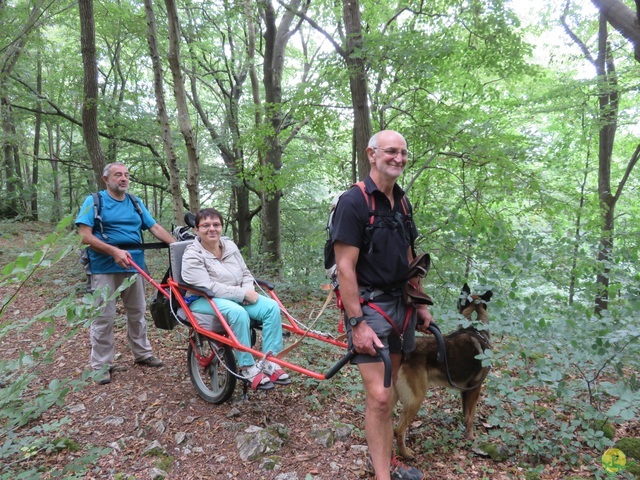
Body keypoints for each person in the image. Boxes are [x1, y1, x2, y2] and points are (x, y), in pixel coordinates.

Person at [331, 130, 434, 480]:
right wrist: (356, 322)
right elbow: (345, 266)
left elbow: (409, 257)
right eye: (391, 151)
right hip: (369, 307)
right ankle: (382, 475)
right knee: (378, 396)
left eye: (404, 153)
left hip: (401, 307)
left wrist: (419, 301)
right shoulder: (354, 202)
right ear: (372, 154)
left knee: (388, 396)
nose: (399, 158)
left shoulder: (402, 203)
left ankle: (384, 460)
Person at [75, 162, 176, 385]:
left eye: (126, 175)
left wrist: (177, 246)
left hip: (134, 266)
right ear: (106, 179)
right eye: (118, 175)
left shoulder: (135, 202)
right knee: (104, 316)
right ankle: (101, 365)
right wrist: (112, 251)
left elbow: (155, 228)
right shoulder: (94, 201)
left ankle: (142, 354)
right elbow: (84, 236)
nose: (123, 178)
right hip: (103, 267)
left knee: (137, 312)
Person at [181, 208, 290, 391]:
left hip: (236, 294)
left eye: (216, 224)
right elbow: (208, 287)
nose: (211, 229)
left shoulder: (229, 246)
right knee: (237, 312)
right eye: (205, 225)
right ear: (196, 230)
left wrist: (248, 289)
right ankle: (247, 367)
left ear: (222, 227)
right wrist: (242, 295)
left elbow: (246, 273)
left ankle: (270, 361)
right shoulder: (192, 255)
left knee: (271, 307)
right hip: (203, 298)